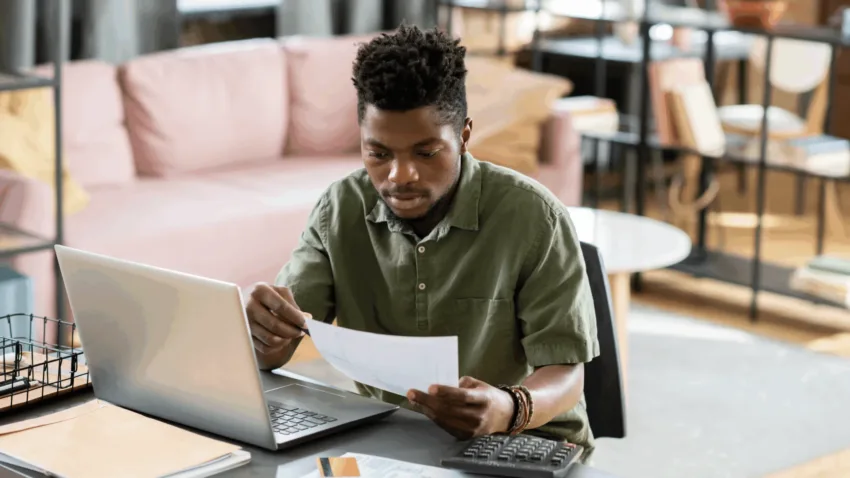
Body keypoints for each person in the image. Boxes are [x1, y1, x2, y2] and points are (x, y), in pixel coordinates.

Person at [245, 24, 600, 459]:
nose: (399, 176)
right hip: (395, 444)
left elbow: (566, 372)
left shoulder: (533, 217)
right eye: (378, 154)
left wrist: (507, 408)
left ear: (464, 135)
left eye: (426, 153)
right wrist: (263, 334)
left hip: (527, 441)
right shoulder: (339, 211)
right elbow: (278, 345)